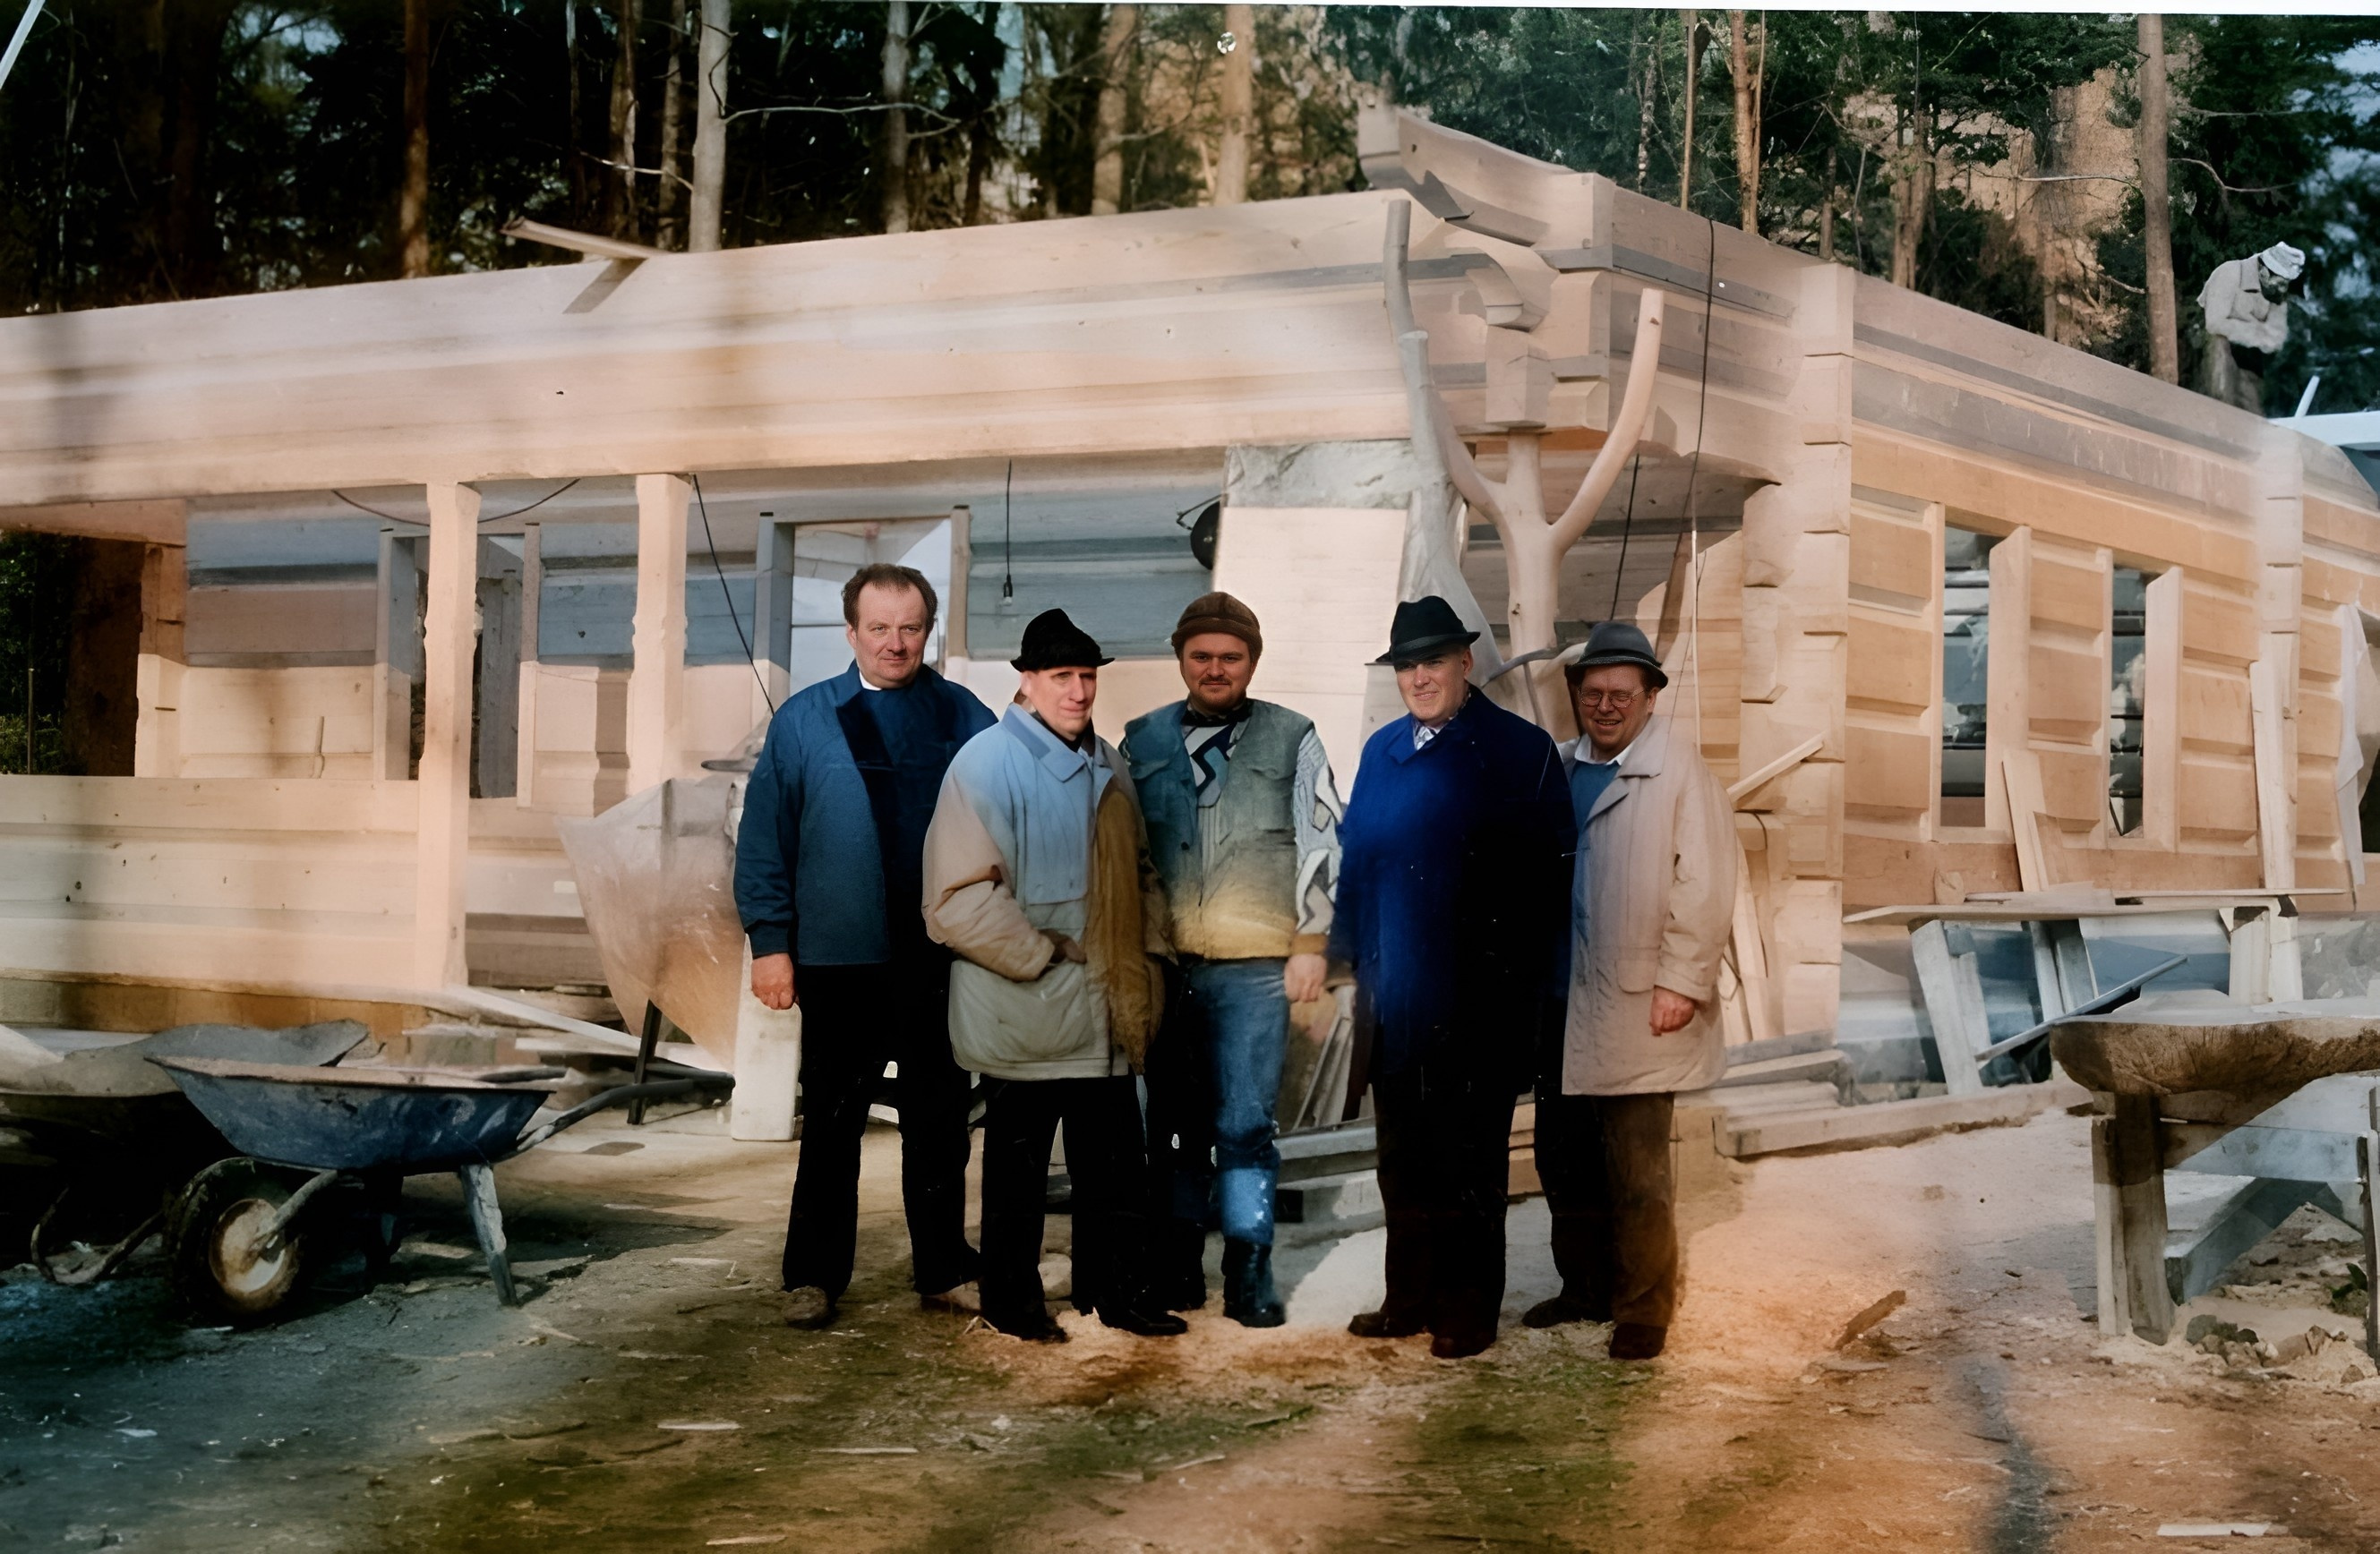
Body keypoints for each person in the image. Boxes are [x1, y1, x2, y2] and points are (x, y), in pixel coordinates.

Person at [733, 563, 997, 1329]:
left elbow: (1012, 809)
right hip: (836, 959)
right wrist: (771, 943)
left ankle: (944, 1269)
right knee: (834, 1125)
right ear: (850, 633)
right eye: (878, 627)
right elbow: (764, 840)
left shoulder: (961, 716)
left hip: (935, 959)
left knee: (940, 1125)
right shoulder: (807, 720)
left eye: (910, 627)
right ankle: (813, 1277)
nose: (894, 642)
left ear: (929, 631)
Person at [921, 608, 1186, 1343]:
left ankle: (1117, 1294)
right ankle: (1012, 1303)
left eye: (1087, 677)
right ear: (1028, 683)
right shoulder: (984, 764)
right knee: (1018, 1175)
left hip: (1104, 1009)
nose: (1077, 691)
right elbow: (954, 898)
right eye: (1061, 677)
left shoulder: (1110, 764)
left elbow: (1140, 873)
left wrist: (1151, 953)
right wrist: (1042, 952)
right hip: (1026, 1009)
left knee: (1114, 1169)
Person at [1327, 596, 1574, 1359]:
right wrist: (1342, 965)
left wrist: (1529, 1003)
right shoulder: (1380, 754)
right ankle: (1409, 1300)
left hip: (1480, 1010)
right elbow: (1358, 870)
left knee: (1469, 1165)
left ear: (1466, 662)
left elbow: (1550, 890)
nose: (1419, 677)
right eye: (1406, 665)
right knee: (1403, 1163)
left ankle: (1466, 1312)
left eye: (1432, 661)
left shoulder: (1519, 751)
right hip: (1396, 1002)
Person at [1123, 593, 1344, 1328]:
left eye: (1231, 656)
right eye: (1201, 656)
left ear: (1252, 661)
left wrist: (1311, 943)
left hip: (1254, 970)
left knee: (1246, 1127)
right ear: (1181, 659)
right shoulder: (1142, 740)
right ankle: (1180, 1263)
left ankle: (1250, 1270)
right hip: (1166, 966)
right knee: (1176, 1130)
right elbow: (1121, 852)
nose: (1215, 669)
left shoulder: (1294, 737)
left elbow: (1324, 844)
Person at [1526, 620, 1734, 1362]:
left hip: (1637, 999)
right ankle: (1584, 1287)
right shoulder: (1556, 767)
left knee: (1637, 1166)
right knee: (1565, 1156)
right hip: (1561, 997)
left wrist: (1681, 983)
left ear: (1650, 698)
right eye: (1593, 694)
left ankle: (1643, 1307)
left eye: (1621, 694)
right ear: (1577, 697)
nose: (1606, 707)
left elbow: (1706, 888)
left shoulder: (1679, 771)